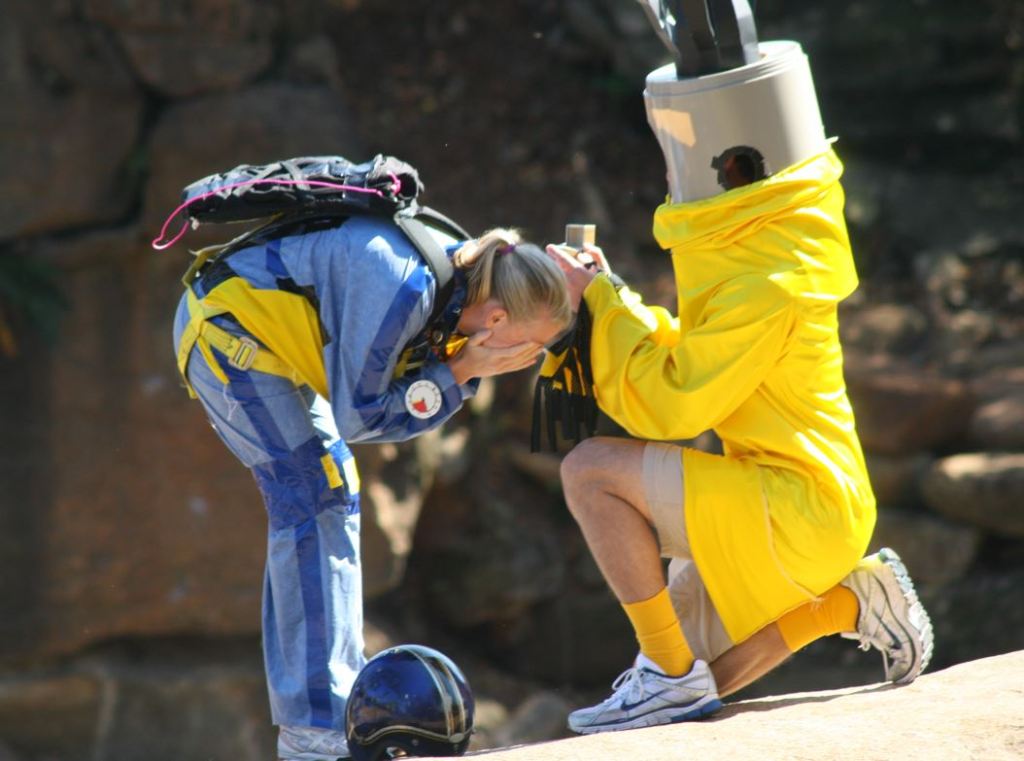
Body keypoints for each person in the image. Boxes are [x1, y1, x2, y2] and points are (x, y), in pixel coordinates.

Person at [545, 149, 933, 734]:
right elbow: (688, 355)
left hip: (798, 506)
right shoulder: (771, 261)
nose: (677, 183)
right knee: (695, 683)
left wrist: (599, 296)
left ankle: (670, 675)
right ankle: (845, 602)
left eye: (691, 169)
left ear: (736, 180)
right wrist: (610, 288)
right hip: (803, 507)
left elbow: (676, 401)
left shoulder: (767, 285)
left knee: (588, 471)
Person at [172, 219, 571, 760]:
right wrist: (464, 369)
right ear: (498, 318)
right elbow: (362, 417)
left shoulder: (464, 282)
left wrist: (460, 369)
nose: (524, 361)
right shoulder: (405, 287)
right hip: (230, 337)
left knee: (332, 494)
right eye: (529, 349)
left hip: (276, 346)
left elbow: (396, 399)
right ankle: (314, 730)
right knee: (314, 498)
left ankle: (329, 702)